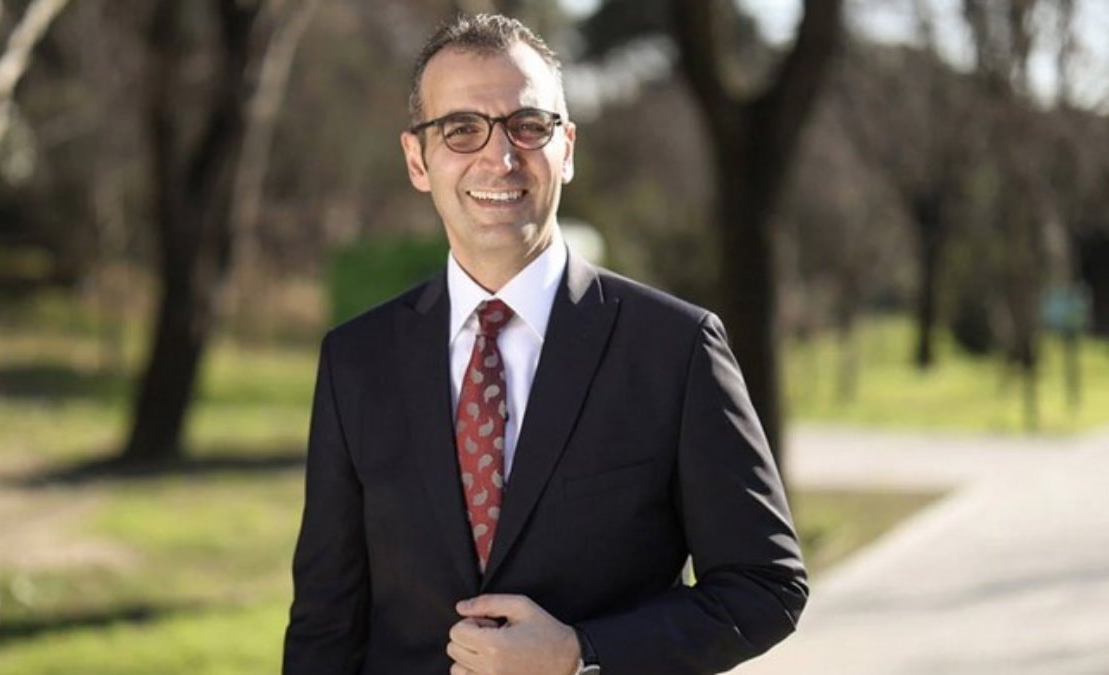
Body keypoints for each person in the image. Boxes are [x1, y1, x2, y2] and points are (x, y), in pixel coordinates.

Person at [283, 13, 807, 675]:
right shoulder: (356, 361)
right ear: (418, 159)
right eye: (461, 128)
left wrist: (581, 654)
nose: (499, 157)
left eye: (528, 126)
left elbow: (766, 584)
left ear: (568, 147)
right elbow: (326, 623)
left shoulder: (675, 349)